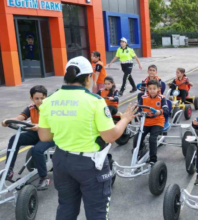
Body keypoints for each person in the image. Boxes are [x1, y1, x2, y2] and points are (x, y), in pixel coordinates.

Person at [37, 56, 138, 220]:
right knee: (97, 212)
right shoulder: (94, 101)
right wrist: (125, 119)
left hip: (61, 160)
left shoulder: (48, 101)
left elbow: (44, 136)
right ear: (88, 77)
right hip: (89, 164)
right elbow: (110, 136)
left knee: (66, 208)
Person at [1, 85, 54, 190]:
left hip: (50, 135)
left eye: (42, 98)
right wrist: (6, 121)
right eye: (36, 98)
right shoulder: (31, 108)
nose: (39, 101)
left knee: (36, 150)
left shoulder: (51, 108)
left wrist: (40, 126)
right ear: (32, 99)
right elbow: (18, 118)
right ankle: (9, 170)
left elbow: (56, 123)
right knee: (14, 139)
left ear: (46, 97)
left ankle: (44, 178)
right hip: (36, 134)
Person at [137, 79, 169, 164]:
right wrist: (138, 113)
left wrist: (160, 111)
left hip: (157, 122)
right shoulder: (143, 98)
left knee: (152, 138)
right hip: (146, 122)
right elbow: (138, 108)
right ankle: (139, 152)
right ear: (147, 89)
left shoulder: (161, 98)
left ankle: (153, 159)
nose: (152, 91)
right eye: (150, 88)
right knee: (138, 137)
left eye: (154, 88)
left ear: (158, 89)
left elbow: (166, 109)